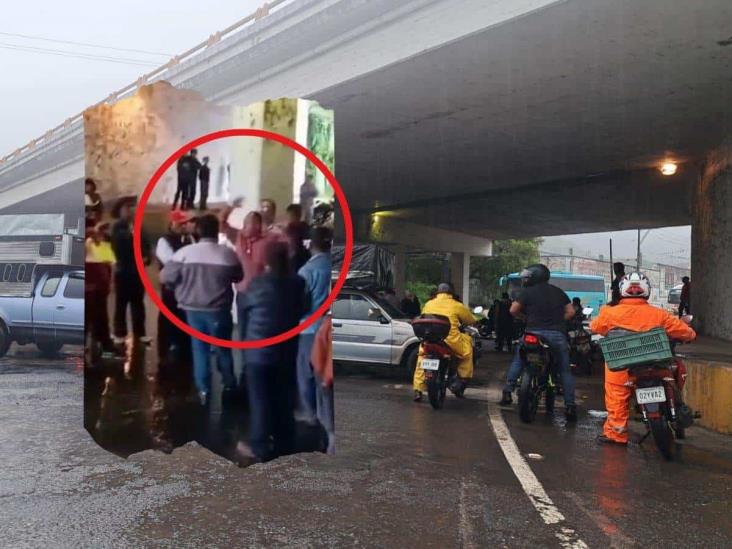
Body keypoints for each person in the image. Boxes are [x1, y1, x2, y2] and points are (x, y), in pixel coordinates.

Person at [590, 272, 696, 445]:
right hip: (656, 366)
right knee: (676, 368)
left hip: (622, 369)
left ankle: (617, 434)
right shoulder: (659, 314)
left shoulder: (609, 313)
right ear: (647, 290)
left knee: (616, 396)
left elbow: (595, 327)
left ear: (622, 290)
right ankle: (677, 406)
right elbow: (687, 332)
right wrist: (689, 335)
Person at [160, 214, 243, 406]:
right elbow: (238, 277)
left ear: (198, 230)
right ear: (217, 231)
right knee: (223, 348)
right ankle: (229, 384)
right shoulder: (227, 254)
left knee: (199, 349)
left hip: (192, 310)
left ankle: (204, 390)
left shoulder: (184, 253)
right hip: (219, 310)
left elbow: (166, 277)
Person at [239, 241, 307, 462]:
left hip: (257, 354)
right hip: (286, 351)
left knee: (260, 401)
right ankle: (285, 443)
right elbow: (305, 308)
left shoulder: (257, 283)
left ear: (266, 259)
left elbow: (245, 311)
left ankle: (259, 447)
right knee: (284, 398)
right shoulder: (297, 283)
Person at [498, 264, 578, 422]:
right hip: (556, 336)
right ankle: (570, 406)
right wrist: (558, 322)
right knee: (564, 370)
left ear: (534, 277)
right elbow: (571, 312)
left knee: (519, 359)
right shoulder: (558, 292)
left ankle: (507, 391)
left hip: (532, 334)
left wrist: (525, 318)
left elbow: (513, 310)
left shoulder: (526, 292)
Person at [412, 282, 476, 402]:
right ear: (451, 292)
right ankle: (462, 380)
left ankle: (418, 390)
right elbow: (470, 320)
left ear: (437, 292)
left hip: (430, 339)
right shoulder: (457, 305)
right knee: (467, 351)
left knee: (421, 358)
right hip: (450, 340)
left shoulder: (428, 304)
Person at [296, 227, 331, 421]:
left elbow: (299, 301)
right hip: (328, 327)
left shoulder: (307, 270)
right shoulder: (333, 266)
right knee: (325, 375)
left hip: (309, 328)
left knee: (306, 372)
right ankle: (325, 415)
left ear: (310, 244)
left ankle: (310, 414)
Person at [155, 210, 195, 362]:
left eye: (185, 223)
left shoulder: (189, 238)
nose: (183, 226)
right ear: (172, 224)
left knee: (183, 315)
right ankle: (166, 347)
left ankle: (182, 343)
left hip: (186, 286)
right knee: (168, 314)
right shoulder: (164, 241)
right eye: (180, 223)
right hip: (171, 286)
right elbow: (170, 262)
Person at [110, 196, 151, 343]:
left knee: (138, 303)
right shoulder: (117, 227)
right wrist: (131, 234)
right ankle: (119, 333)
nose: (131, 211)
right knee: (121, 303)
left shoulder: (139, 226)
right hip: (123, 270)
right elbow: (117, 246)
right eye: (127, 207)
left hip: (138, 271)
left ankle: (140, 333)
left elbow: (146, 245)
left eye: (133, 207)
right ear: (120, 210)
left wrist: (147, 257)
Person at [85, 220, 116, 355]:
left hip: (99, 288)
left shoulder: (101, 243)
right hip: (89, 288)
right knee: (88, 319)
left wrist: (108, 283)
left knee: (101, 318)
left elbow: (107, 265)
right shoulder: (87, 241)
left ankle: (104, 344)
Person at [311, 313, 334, 454]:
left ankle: (327, 446)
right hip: (322, 375)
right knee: (324, 414)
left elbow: (327, 353)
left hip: (323, 377)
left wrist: (326, 377)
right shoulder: (326, 323)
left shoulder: (328, 323)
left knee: (327, 416)